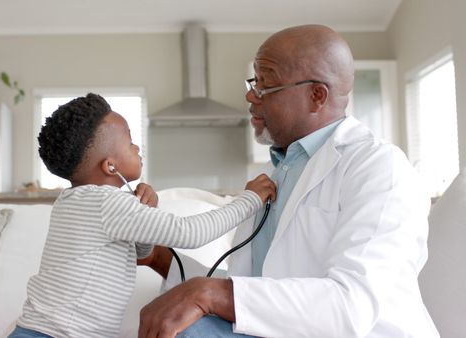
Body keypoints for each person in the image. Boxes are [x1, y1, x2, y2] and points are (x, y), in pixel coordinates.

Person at [138, 25, 439, 338]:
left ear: (316, 96)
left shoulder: (378, 168)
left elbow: (349, 305)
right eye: (254, 81)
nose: (250, 94)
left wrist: (208, 294)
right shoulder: (277, 172)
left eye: (265, 84)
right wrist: (159, 257)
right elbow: (257, 289)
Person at [8, 93, 277, 338]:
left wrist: (145, 211)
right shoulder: (106, 203)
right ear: (110, 166)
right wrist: (249, 200)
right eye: (130, 141)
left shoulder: (76, 200)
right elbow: (190, 233)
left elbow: (140, 252)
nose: (137, 148)